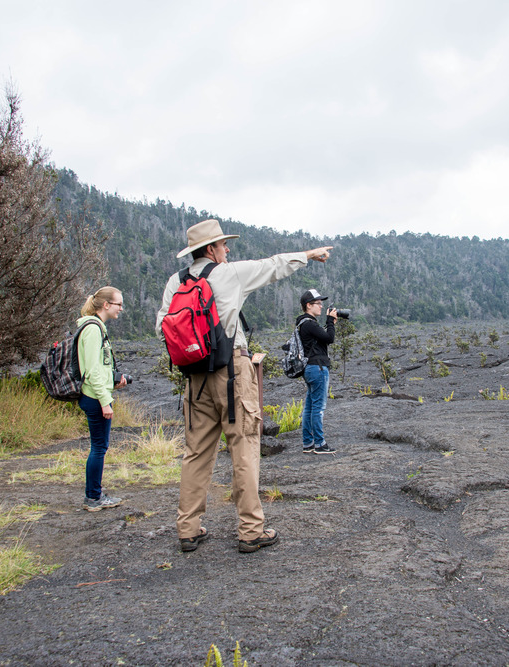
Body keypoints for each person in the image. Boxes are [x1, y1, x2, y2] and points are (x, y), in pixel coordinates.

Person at [156, 219, 332, 553]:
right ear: (211, 249)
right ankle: (251, 530)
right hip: (232, 371)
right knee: (245, 446)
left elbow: (162, 326)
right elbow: (272, 267)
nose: (227, 249)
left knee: (195, 452)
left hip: (194, 377)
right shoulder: (229, 274)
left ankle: (188, 529)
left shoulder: (174, 282)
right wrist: (309, 254)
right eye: (223, 245)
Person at [77, 286, 128, 512]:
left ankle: (94, 494)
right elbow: (92, 370)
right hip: (95, 397)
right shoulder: (93, 329)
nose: (121, 309)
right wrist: (105, 401)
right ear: (106, 305)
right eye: (118, 304)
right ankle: (93, 497)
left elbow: (99, 368)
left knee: (99, 446)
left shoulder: (96, 327)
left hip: (96, 394)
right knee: (99, 447)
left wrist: (114, 381)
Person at [296, 288, 337, 455]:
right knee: (318, 408)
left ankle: (308, 443)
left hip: (309, 368)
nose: (321, 306)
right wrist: (330, 322)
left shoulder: (301, 323)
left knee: (310, 407)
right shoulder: (309, 324)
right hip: (318, 367)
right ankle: (320, 443)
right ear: (308, 305)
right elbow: (329, 339)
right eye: (318, 303)